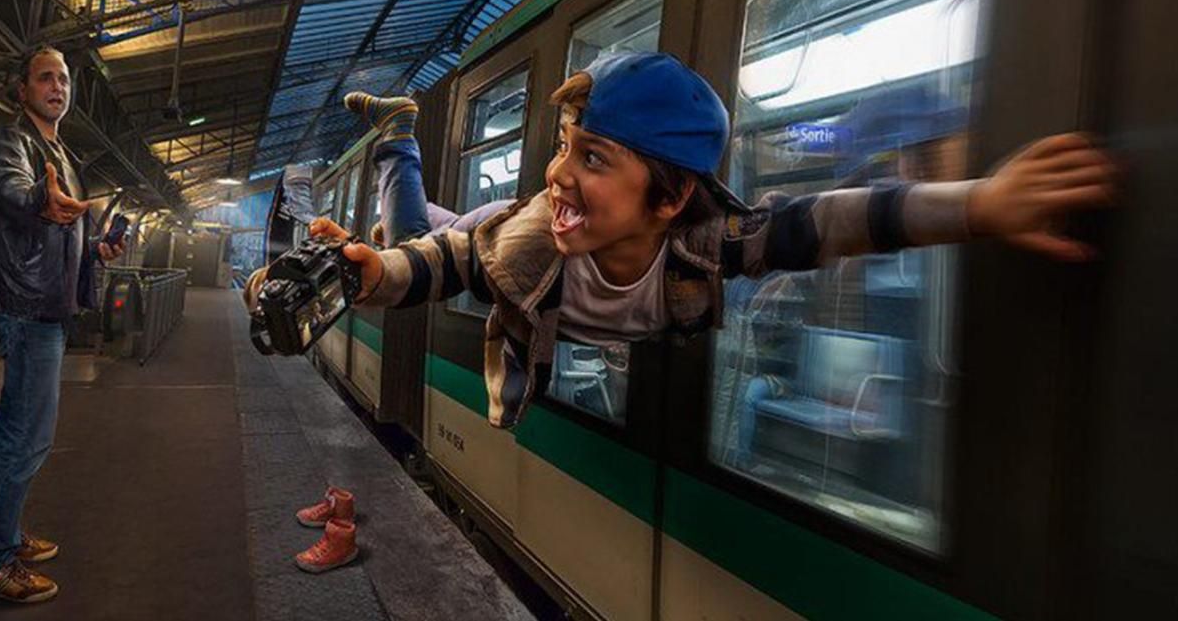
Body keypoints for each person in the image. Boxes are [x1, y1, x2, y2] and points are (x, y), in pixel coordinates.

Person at [252, 51, 1113, 431]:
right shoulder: (528, 240)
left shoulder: (713, 243)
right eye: (562, 147)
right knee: (421, 237)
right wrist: (375, 273)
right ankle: (401, 134)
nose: (558, 171)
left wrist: (983, 203)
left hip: (519, 248)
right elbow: (437, 268)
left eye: (591, 157)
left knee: (446, 230)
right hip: (505, 252)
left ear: (668, 200)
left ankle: (402, 181)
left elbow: (840, 219)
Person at [0, 46, 124, 604]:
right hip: (28, 307)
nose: (57, 86)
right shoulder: (13, 143)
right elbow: (7, 191)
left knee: (22, 431)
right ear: (23, 89)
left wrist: (97, 248)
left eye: (63, 80)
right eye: (45, 78)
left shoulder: (60, 151)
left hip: (47, 305)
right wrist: (38, 197)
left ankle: (2, 535)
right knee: (24, 436)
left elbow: (62, 224)